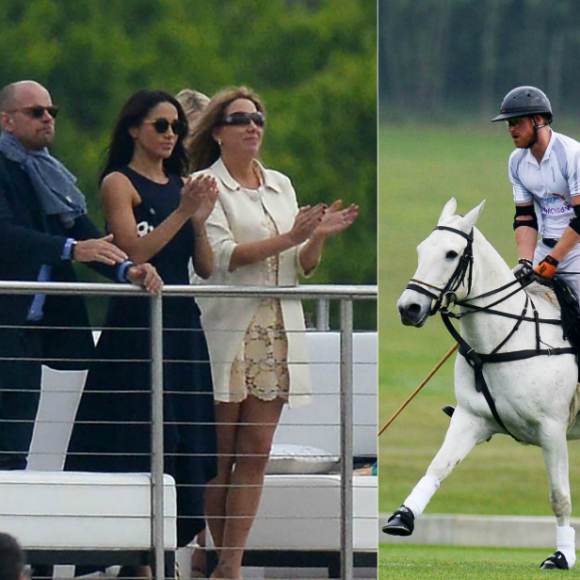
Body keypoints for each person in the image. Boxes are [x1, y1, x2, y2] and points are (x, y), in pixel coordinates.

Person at [187, 86, 358, 580]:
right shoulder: (206, 184)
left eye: (258, 118)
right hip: (227, 329)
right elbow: (222, 258)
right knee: (221, 456)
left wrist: (314, 241)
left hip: (279, 327)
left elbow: (298, 264)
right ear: (218, 131)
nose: (252, 126)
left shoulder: (280, 183)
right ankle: (216, 554)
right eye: (240, 118)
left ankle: (231, 563)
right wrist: (291, 237)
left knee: (256, 451)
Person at [65, 89, 219, 578]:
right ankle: (132, 553)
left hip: (180, 323)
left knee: (186, 439)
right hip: (136, 327)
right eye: (160, 125)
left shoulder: (182, 184)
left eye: (176, 127)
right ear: (134, 129)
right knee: (135, 436)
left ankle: (165, 551)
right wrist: (180, 211)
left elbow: (206, 267)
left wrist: (198, 221)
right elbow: (133, 252)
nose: (171, 135)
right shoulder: (119, 182)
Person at [0, 80, 161, 471]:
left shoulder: (47, 175)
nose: (47, 119)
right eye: (35, 112)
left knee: (14, 444)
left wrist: (126, 269)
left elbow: (81, 232)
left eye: (51, 112)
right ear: (6, 120)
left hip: (26, 331)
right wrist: (70, 249)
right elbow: (7, 234)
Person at [491, 86, 580, 294]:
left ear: (539, 120)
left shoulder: (572, 154)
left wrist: (553, 260)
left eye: (517, 123)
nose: (511, 129)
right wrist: (526, 262)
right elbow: (525, 217)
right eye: (509, 124)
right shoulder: (516, 161)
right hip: (546, 250)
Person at [175, 87, 211, 578]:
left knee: (205, 441)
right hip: (190, 309)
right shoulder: (175, 187)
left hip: (205, 308)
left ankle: (206, 547)